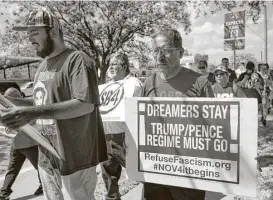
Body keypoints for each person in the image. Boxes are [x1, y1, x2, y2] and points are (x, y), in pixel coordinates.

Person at [1, 7, 107, 200]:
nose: (30, 39)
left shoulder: (77, 60)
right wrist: (7, 102)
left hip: (76, 156)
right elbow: (40, 102)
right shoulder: (43, 65)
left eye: (34, 33)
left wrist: (33, 114)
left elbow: (84, 104)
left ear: (54, 31)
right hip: (47, 156)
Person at [142, 28, 205, 200]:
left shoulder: (200, 83)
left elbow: (214, 128)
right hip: (155, 168)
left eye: (167, 51)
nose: (160, 56)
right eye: (156, 51)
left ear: (181, 52)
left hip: (189, 172)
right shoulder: (148, 83)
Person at [101, 52, 143, 200]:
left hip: (126, 139)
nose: (110, 68)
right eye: (109, 65)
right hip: (106, 139)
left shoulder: (134, 84)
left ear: (124, 66)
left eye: (114, 64)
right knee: (109, 179)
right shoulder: (107, 86)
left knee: (143, 174)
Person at [0, 87, 43, 200]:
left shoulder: (7, 110)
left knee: (12, 169)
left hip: (17, 145)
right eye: (19, 95)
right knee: (40, 166)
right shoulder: (23, 108)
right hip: (29, 144)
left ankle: (4, 193)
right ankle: (43, 185)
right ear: (18, 96)